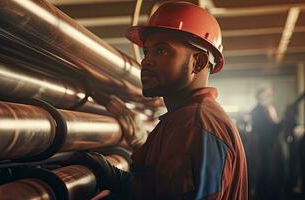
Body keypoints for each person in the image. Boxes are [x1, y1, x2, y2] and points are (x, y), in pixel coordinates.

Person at [67, 2, 248, 199]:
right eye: (147, 52)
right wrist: (117, 179)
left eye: (162, 51)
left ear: (199, 62)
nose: (146, 61)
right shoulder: (183, 119)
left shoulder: (195, 123)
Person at [250, 86, 284, 199]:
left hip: (266, 145)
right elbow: (270, 129)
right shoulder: (259, 111)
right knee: (266, 171)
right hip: (266, 145)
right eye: (266, 94)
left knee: (266, 171)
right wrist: (283, 122)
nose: (269, 96)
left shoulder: (262, 110)